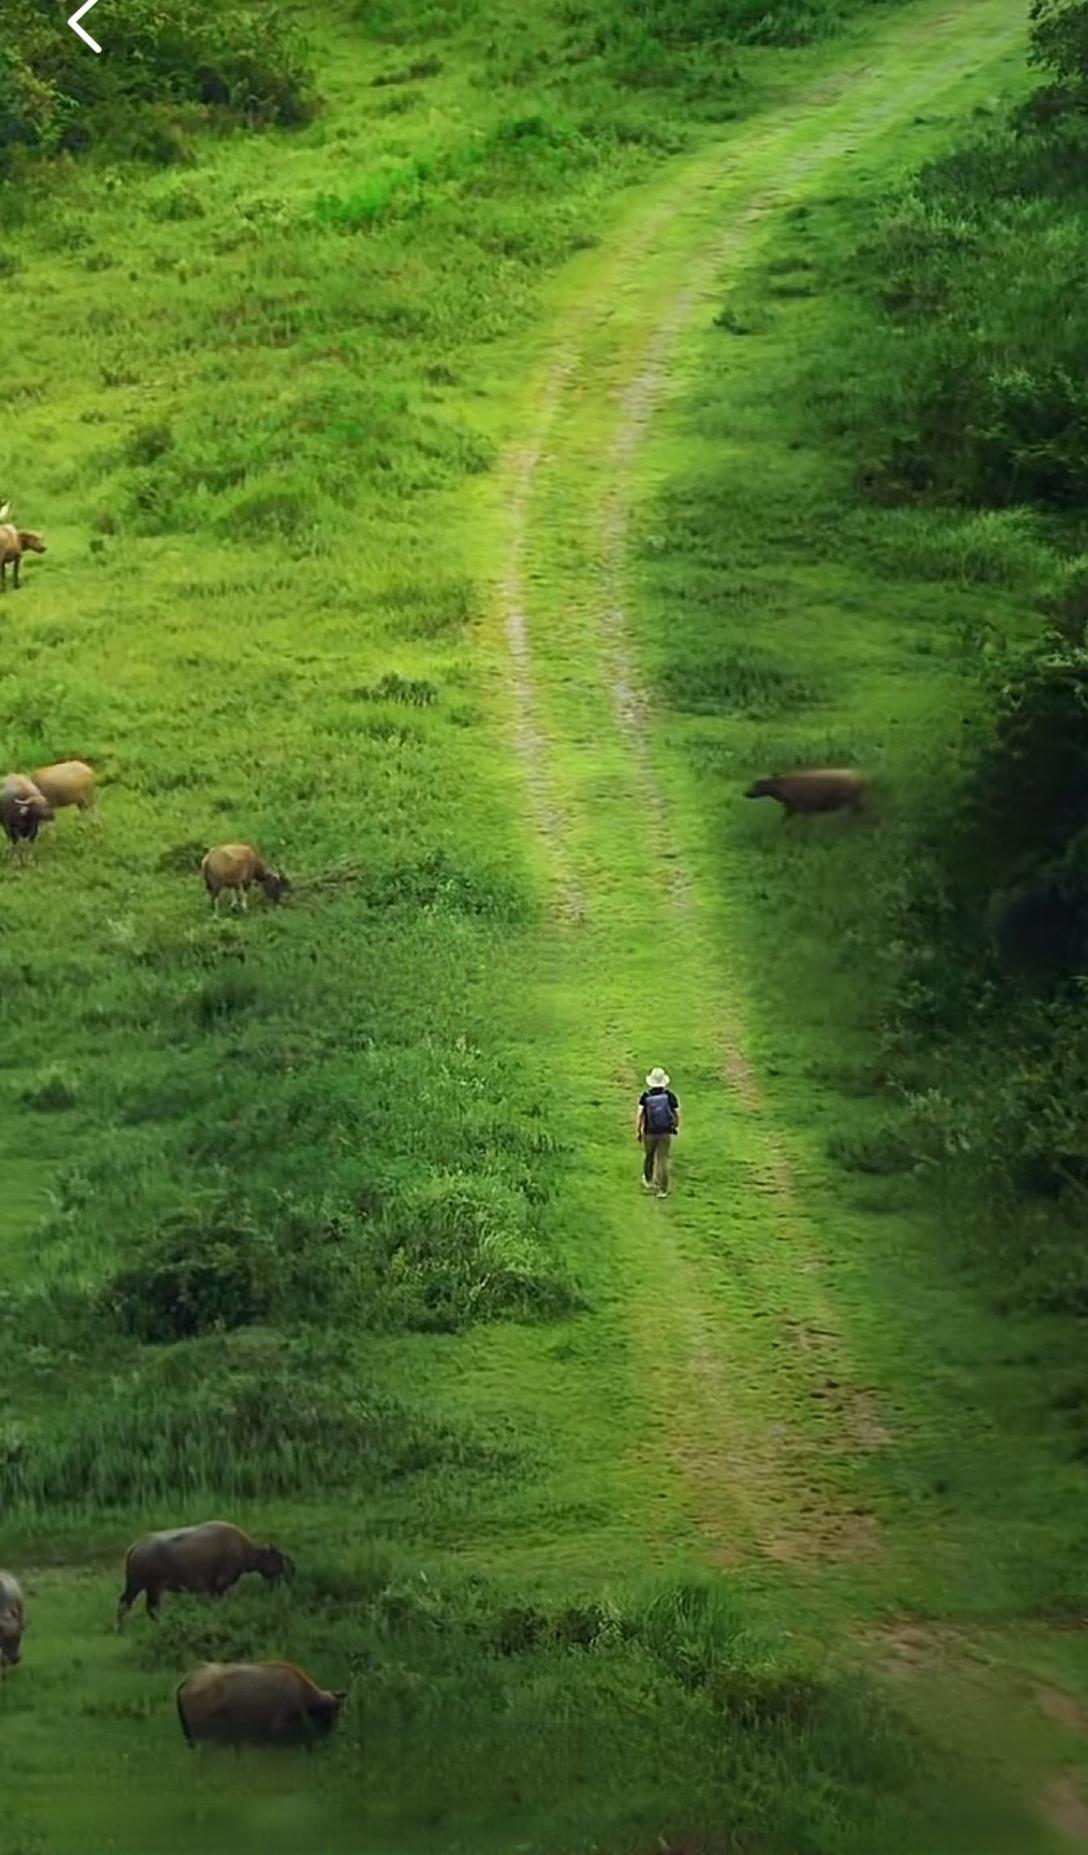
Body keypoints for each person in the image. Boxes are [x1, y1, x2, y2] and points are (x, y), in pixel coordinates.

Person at [636, 1066, 680, 1197]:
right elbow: (677, 1113)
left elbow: (640, 1114)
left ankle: (648, 1179)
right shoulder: (669, 1096)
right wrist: (675, 1126)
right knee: (662, 1159)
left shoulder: (646, 1096)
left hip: (649, 1132)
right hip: (665, 1132)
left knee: (649, 1155)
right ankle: (662, 1189)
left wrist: (639, 1130)